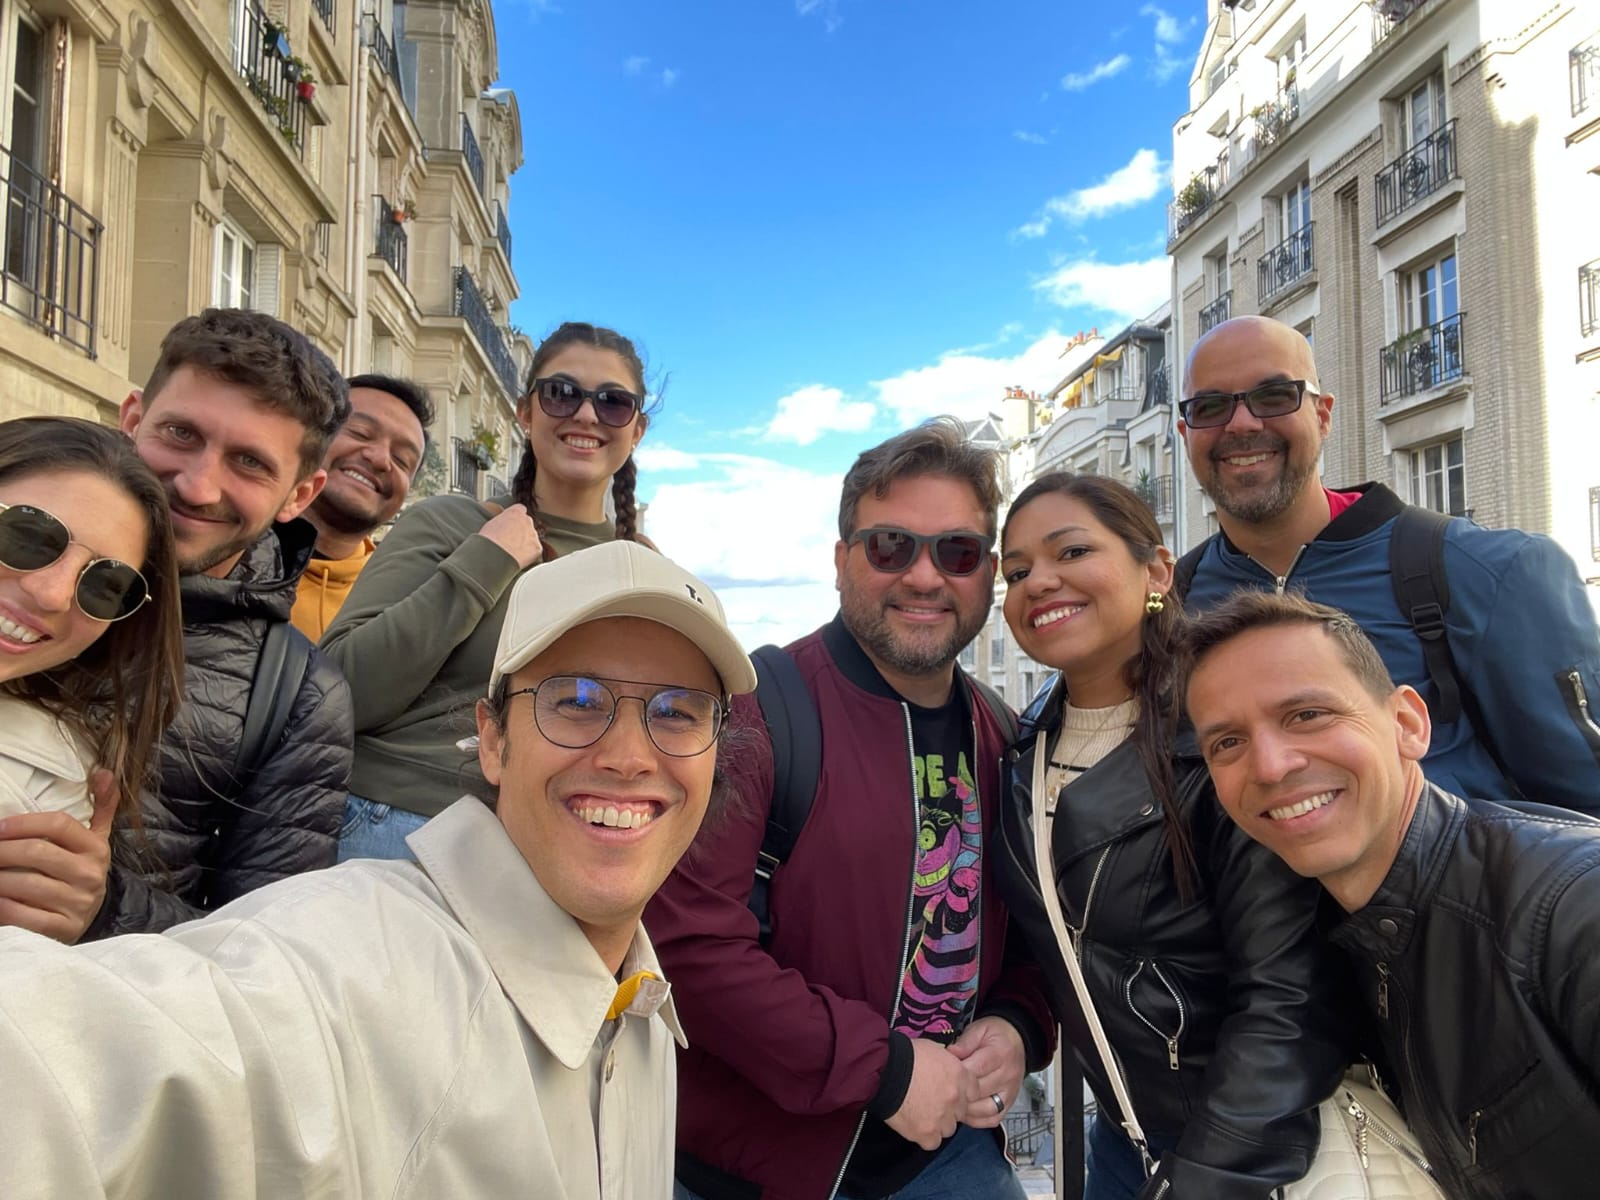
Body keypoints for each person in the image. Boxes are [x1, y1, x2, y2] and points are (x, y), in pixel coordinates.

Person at [0, 540, 757, 1199]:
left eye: (677, 711)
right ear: (493, 741)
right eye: (577, 700)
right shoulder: (352, 967)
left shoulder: (642, 1007)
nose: (628, 756)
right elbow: (81, 1062)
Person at [650, 418, 1055, 1200]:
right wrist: (889, 1071)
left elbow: (1038, 938)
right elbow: (688, 947)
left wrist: (1019, 1025)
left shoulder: (1002, 735)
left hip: (947, 1158)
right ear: (841, 562)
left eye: (957, 552)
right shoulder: (760, 711)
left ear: (988, 573)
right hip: (758, 1168)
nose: (925, 577)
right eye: (891, 547)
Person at [993, 472, 1349, 1200]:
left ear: (1157, 570)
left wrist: (1204, 1177)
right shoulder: (1022, 747)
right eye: (1017, 572)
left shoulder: (1225, 739)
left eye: (1071, 551)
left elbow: (1288, 997)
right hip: (1121, 1137)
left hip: (1247, 1154)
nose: (1040, 582)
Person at [1182, 588, 1600, 1200]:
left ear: (1408, 724)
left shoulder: (1573, 906)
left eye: (1307, 715)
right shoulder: (1320, 944)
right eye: (1227, 743)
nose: (1269, 766)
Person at [1176, 314, 1600, 816]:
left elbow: (1584, 810)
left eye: (1274, 396)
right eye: (1210, 407)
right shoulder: (1173, 601)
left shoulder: (1492, 571)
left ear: (1323, 416)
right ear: (1185, 433)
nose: (1242, 423)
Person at [323, 321, 653, 860]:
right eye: (562, 393)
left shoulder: (643, 568)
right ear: (526, 412)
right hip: (405, 826)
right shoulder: (451, 523)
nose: (586, 414)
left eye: (613, 402)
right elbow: (341, 691)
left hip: (564, 843)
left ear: (636, 429)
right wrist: (485, 563)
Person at [82, 307, 355, 937]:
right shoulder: (19, 566)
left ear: (300, 495)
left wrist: (101, 908)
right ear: (133, 419)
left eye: (250, 463)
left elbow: (265, 947)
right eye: (180, 433)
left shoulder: (299, 697)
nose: (198, 486)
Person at [0, 418, 182, 942]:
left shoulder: (54, 787)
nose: (53, 594)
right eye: (28, 536)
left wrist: (73, 928)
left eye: (106, 584)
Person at [291, 373, 433, 640]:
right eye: (359, 433)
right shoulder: (228, 551)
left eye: (401, 459)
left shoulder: (398, 603)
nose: (380, 459)